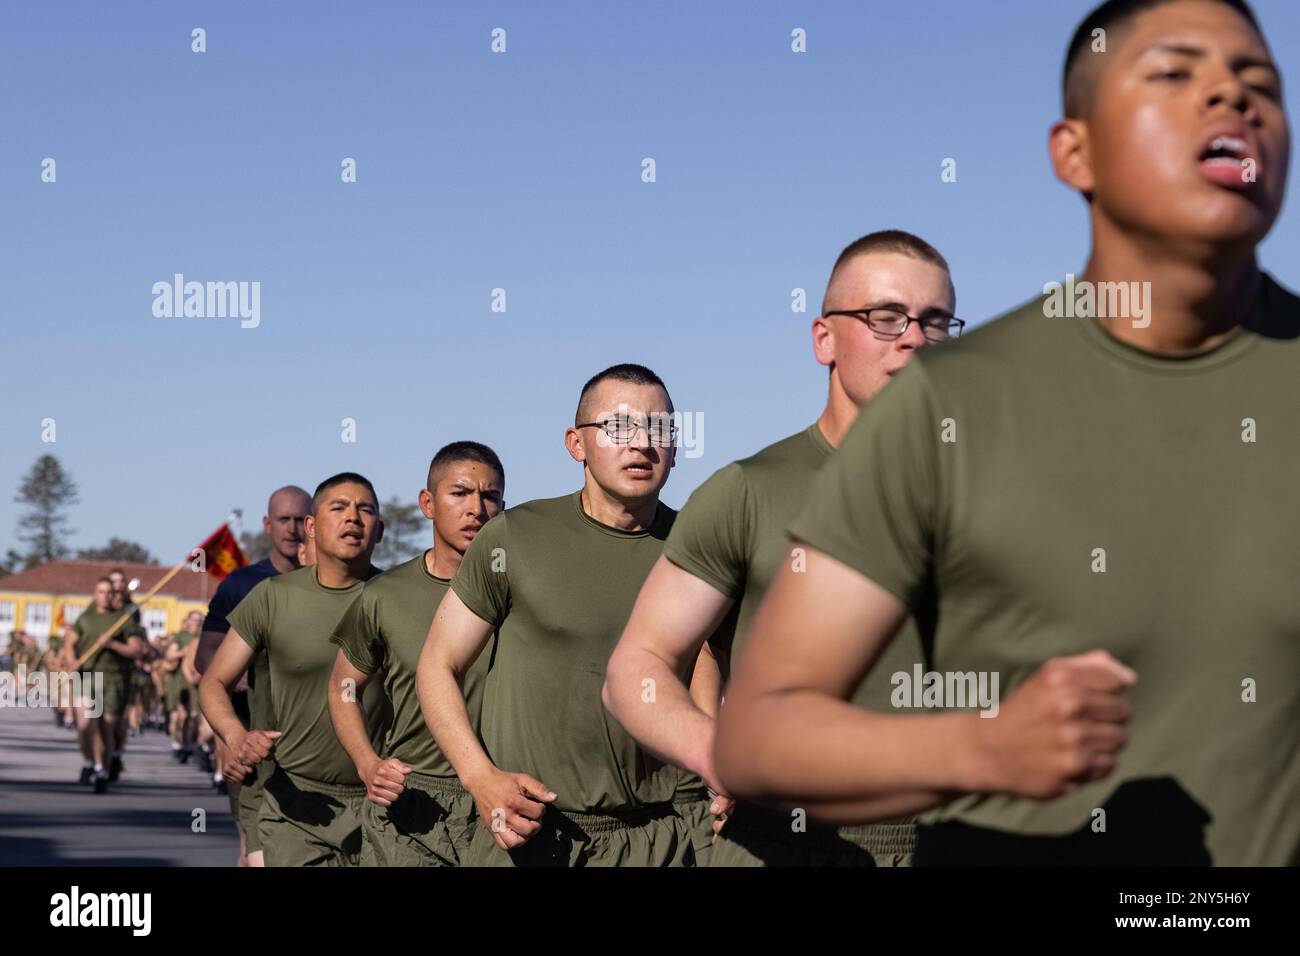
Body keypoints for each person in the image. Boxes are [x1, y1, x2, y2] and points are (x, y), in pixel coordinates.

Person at [715, 0, 1299, 866]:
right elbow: (758, 737)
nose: (1232, 97)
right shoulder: (947, 405)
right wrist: (982, 749)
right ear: (1076, 152)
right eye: (1176, 74)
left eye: (1260, 82)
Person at [606, 230, 958, 866]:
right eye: (885, 317)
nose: (913, 337)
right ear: (823, 338)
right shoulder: (748, 492)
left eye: (935, 322)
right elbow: (637, 668)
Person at [418, 364, 718, 867]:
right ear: (576, 444)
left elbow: (709, 656)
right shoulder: (514, 537)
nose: (642, 442)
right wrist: (480, 779)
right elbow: (438, 663)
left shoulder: (702, 549)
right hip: (531, 834)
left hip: (665, 835)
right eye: (618, 427)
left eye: (660, 427)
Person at [329, 442, 506, 866]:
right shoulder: (384, 596)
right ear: (427, 503)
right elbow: (343, 688)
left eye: (489, 496)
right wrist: (367, 764)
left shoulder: (520, 591)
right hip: (415, 806)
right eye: (460, 493)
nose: (476, 509)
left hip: (501, 800)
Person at [200, 474, 390, 866]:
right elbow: (213, 681)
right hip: (294, 802)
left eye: (365, 510)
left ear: (380, 530)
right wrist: (236, 737)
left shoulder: (399, 598)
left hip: (383, 804)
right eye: (338, 508)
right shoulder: (272, 597)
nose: (352, 518)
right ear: (312, 527)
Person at [195, 485, 311, 867]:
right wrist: (240, 676)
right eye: (284, 520)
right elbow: (205, 656)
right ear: (267, 525)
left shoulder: (335, 583)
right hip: (250, 733)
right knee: (253, 847)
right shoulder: (242, 585)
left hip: (315, 744)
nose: (293, 529)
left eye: (300, 520)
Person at [70, 578, 147, 793]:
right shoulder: (86, 618)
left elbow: (136, 650)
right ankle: (91, 762)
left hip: (114, 680)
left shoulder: (124, 619)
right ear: (95, 593)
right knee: (87, 724)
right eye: (101, 591)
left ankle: (102, 769)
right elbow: (70, 642)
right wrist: (71, 659)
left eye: (109, 592)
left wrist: (111, 643)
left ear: (114, 595)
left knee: (107, 727)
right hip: (87, 677)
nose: (105, 596)